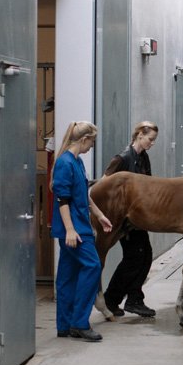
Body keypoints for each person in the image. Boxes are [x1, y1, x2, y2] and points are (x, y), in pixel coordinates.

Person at [51, 121, 113, 342]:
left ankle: (65, 325)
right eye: (92, 142)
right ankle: (79, 322)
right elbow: (62, 199)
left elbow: (83, 195)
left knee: (67, 275)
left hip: (79, 225)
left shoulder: (77, 162)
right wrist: (69, 229)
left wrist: (99, 215)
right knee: (93, 266)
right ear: (84, 139)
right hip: (74, 229)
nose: (92, 146)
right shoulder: (64, 163)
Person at [101, 120, 159, 317]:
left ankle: (127, 299)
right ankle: (117, 298)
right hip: (125, 220)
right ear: (139, 135)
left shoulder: (144, 158)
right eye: (150, 139)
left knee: (145, 256)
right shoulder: (123, 159)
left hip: (139, 218)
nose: (152, 143)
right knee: (135, 257)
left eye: (154, 140)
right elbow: (103, 184)